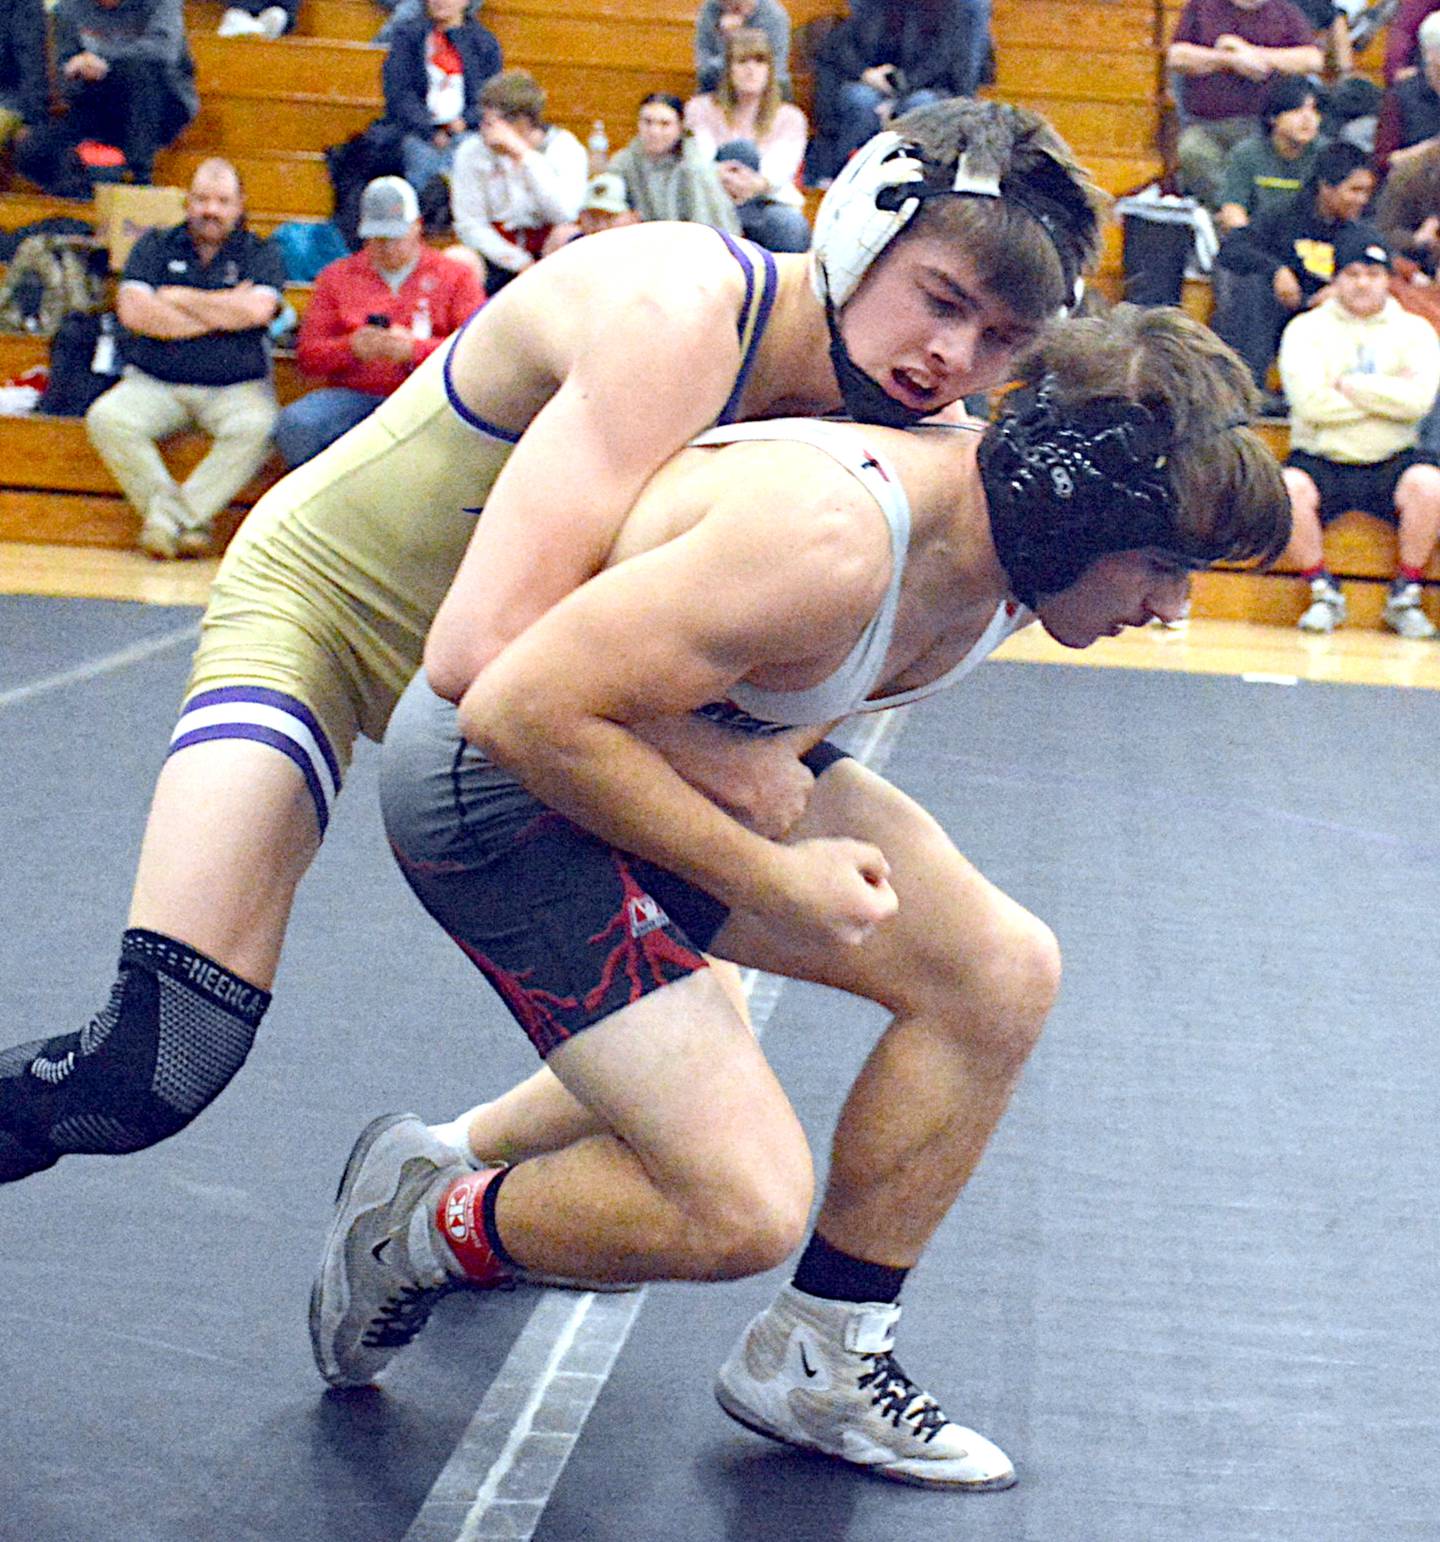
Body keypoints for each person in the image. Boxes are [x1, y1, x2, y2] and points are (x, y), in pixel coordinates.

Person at [0, 100, 1105, 1188]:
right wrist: (732, 772)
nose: (950, 358)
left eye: (1001, 340)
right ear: (862, 225)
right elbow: (480, 652)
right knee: (155, 1064)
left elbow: (858, 651)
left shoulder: (912, 434)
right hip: (329, 615)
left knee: (690, 1050)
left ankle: (437, 1179)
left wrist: (774, 753)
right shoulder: (678, 313)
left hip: (525, 691)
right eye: (941, 301)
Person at [308, 304, 1291, 1495]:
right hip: (496, 789)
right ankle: (422, 1228)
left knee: (999, 970)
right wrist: (768, 880)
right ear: (1078, 513)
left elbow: (764, 719)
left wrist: (736, 799)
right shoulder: (832, 535)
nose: (1173, 607)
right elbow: (515, 710)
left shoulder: (1004, 560)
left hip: (654, 747)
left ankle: (823, 1351)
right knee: (740, 1207)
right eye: (1164, 567)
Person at [84, 158, 284, 560]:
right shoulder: (154, 245)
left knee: (262, 426)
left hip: (236, 389)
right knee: (107, 418)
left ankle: (166, 522)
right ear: (187, 202)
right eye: (202, 199)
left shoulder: (261, 253)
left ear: (240, 205)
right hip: (154, 383)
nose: (211, 210)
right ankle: (188, 524)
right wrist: (224, 310)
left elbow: (254, 313)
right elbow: (136, 314)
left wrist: (178, 297)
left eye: (222, 201)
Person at [1278, 225, 1440, 636]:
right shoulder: (1305, 330)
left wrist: (1350, 386)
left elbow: (1417, 403)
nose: (1363, 283)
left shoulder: (1416, 332)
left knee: (1430, 485)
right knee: (1287, 488)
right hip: (1322, 457)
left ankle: (1405, 593)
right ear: (1336, 280)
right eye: (1352, 274)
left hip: (1392, 459)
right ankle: (1321, 588)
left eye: (1373, 274)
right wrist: (1387, 397)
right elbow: (1309, 403)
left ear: (1388, 279)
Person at [273, 178, 483, 469]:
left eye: (395, 237)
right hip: (355, 396)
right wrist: (351, 348)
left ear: (417, 226)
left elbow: (476, 352)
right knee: (298, 424)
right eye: (377, 238)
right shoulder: (336, 277)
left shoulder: (456, 276)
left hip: (429, 399)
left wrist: (415, 350)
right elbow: (308, 358)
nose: (386, 247)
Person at [1214, 139, 1375, 400]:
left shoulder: (1362, 229)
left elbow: (1383, 267)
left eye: (1366, 192)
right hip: (1282, 313)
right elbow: (1233, 249)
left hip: (1336, 320)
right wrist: (1276, 270)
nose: (1362, 199)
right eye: (1354, 190)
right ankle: (1248, 391)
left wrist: (1342, 289)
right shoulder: (1283, 215)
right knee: (1252, 286)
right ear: (1326, 187)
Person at [15, 0, 197, 193]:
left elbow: (162, 53)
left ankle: (140, 178)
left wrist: (103, 61)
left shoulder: (161, 3)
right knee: (34, 149)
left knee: (138, 72)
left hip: (160, 104)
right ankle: (80, 196)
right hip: (98, 102)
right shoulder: (67, 9)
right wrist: (79, 72)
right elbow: (66, 78)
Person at [1165, 0, 1323, 212]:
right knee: (1192, 150)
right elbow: (1177, 56)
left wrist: (1252, 53)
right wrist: (1228, 59)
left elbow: (1312, 59)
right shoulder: (1202, 6)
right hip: (1207, 126)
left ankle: (1257, 221)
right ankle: (1231, 214)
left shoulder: (1284, 11)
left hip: (1263, 128)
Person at [446, 69, 588, 294]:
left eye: (490, 122)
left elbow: (565, 213)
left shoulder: (565, 148)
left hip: (546, 249)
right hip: (498, 252)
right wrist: (518, 261)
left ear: (521, 122)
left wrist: (524, 156)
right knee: (458, 259)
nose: (484, 129)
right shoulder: (471, 152)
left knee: (566, 234)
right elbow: (469, 224)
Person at [820, 0, 995, 177]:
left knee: (918, 105)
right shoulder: (878, 5)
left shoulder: (961, 8)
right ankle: (842, 175)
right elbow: (839, 45)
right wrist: (865, 73)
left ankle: (909, 180)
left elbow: (944, 64)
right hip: (881, 85)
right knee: (860, 98)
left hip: (934, 88)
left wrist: (897, 98)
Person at [685, 28, 811, 253]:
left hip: (765, 202)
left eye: (759, 61)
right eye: (742, 61)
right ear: (728, 69)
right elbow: (699, 159)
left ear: (770, 70)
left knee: (791, 226)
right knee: (740, 150)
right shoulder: (700, 108)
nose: (751, 70)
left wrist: (756, 185)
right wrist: (717, 173)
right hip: (713, 200)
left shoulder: (790, 117)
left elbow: (780, 171)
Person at [381, 0, 501, 195]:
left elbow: (491, 96)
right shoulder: (408, 36)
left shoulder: (484, 43)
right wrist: (430, 129)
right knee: (420, 152)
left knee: (470, 151)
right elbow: (399, 93)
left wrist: (464, 121)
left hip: (468, 131)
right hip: (418, 131)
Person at [606, 91, 741, 233]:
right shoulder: (625, 161)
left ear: (680, 127)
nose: (654, 131)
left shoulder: (695, 169)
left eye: (665, 124)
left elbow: (710, 228)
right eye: (647, 122)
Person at [1214, 73, 1324, 236]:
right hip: (1259, 240)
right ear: (1273, 117)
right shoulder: (1246, 154)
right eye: (1296, 110)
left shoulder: (1326, 154)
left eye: (1314, 110)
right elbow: (1233, 209)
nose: (1307, 118)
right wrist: (1249, 242)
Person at [695, 0, 791, 96]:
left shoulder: (774, 16)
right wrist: (727, 43)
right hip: (719, 81)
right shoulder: (710, 9)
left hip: (766, 86)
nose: (731, 7)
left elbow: (774, 68)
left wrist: (735, 38)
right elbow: (704, 67)